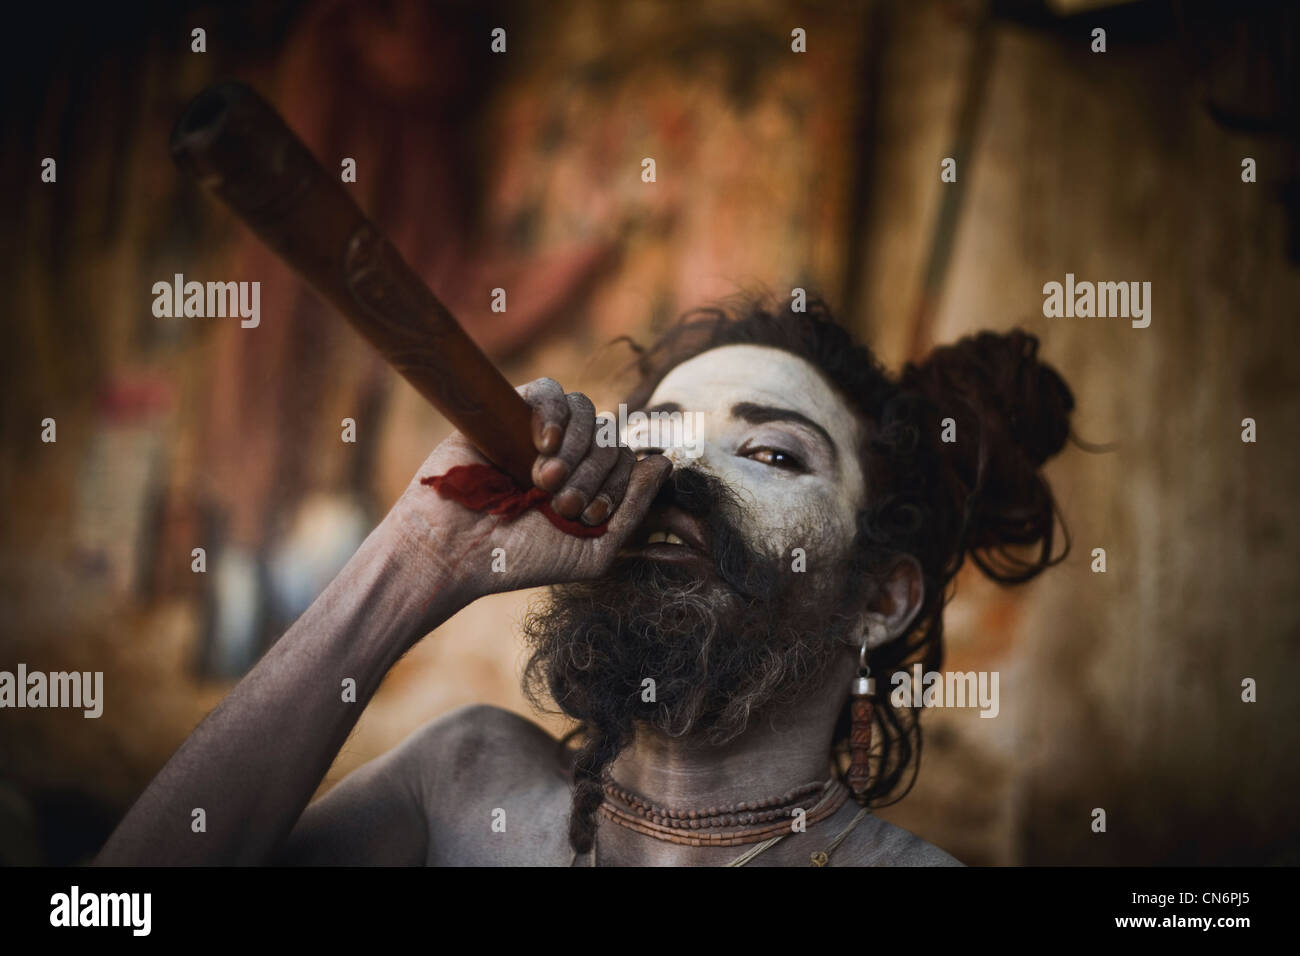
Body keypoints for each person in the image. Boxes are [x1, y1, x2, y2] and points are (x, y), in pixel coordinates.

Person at [96, 297, 1074, 866]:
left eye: (772, 453)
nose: (681, 472)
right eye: (654, 434)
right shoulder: (462, 782)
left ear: (882, 598)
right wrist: (417, 557)